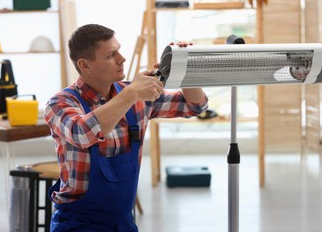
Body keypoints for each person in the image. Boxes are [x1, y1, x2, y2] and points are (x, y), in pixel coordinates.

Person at [44, 23, 208, 231]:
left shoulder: (136, 95)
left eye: (119, 50)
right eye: (111, 55)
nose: (122, 58)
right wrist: (131, 94)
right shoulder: (60, 103)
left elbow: (194, 106)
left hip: (124, 224)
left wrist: (185, 68)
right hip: (78, 224)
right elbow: (83, 133)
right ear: (85, 65)